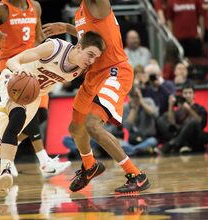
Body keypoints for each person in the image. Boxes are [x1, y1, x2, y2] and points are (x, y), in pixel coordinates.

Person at [0, 31, 105, 196]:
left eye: (95, 58)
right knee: (18, 115)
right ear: (79, 47)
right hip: (14, 80)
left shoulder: (80, 69)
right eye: (90, 55)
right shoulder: (55, 48)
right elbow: (13, 61)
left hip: (34, 96)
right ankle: (6, 172)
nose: (91, 60)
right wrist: (20, 71)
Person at [42, 0, 150, 195]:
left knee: (92, 125)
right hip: (93, 74)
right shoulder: (79, 13)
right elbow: (91, 40)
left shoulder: (97, 4)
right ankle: (90, 165)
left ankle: (136, 175)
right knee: (76, 128)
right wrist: (66, 27)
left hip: (114, 70)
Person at [0, 0, 64, 177]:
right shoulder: (1, 9)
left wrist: (56, 41)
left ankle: (5, 150)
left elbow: (38, 38)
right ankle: (44, 162)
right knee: (26, 113)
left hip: (32, 63)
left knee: (41, 113)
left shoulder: (35, 6)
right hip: (11, 66)